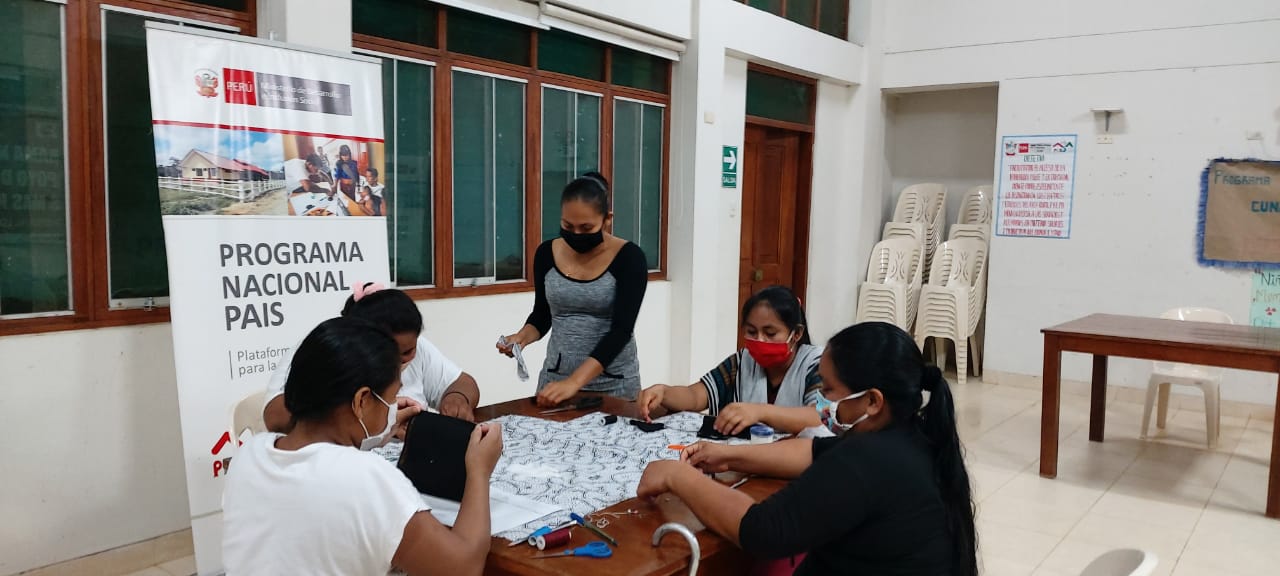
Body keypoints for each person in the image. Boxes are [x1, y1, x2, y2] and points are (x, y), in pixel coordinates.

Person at [636, 322, 978, 576]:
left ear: (873, 400)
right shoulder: (912, 436)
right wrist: (726, 454)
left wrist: (678, 477)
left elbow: (762, 530)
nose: (822, 403)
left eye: (829, 390)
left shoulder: (867, 460)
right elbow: (814, 452)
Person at [224, 317, 503, 576]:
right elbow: (463, 567)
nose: (394, 407)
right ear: (361, 401)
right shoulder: (367, 478)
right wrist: (479, 471)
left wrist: (376, 433)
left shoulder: (250, 454)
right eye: (392, 398)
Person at [497, 172, 648, 407]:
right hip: (555, 381)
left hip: (614, 386)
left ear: (607, 219)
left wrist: (575, 382)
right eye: (568, 226)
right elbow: (542, 315)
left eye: (586, 228)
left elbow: (621, 331)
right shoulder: (546, 253)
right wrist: (521, 338)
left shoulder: (629, 258)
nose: (576, 235)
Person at [264, 283, 481, 432]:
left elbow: (464, 383)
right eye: (391, 352)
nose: (401, 361)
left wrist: (457, 397)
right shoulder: (323, 351)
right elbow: (275, 417)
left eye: (408, 351)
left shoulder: (419, 350)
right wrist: (380, 421)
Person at [637, 286, 822, 435]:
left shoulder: (816, 364)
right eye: (751, 332)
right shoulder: (742, 362)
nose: (759, 340)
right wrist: (664, 392)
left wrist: (759, 412)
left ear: (796, 334)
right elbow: (696, 396)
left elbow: (820, 415)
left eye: (770, 333)